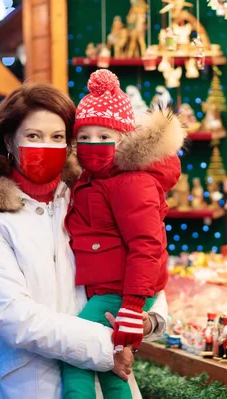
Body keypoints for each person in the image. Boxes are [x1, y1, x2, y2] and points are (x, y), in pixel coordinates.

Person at [0, 82, 168, 399]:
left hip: (111, 379)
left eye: (57, 137)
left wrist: (148, 319)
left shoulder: (88, 196)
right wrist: (107, 345)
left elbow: (141, 252)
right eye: (33, 136)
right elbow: (13, 315)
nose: (46, 145)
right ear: (9, 141)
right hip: (34, 384)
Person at [61, 69, 185, 399]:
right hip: (110, 287)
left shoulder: (130, 181)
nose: (93, 144)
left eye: (105, 137)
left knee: (76, 351)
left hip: (120, 290)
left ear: (123, 139)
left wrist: (131, 306)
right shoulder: (92, 179)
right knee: (112, 363)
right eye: (84, 137)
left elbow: (148, 244)